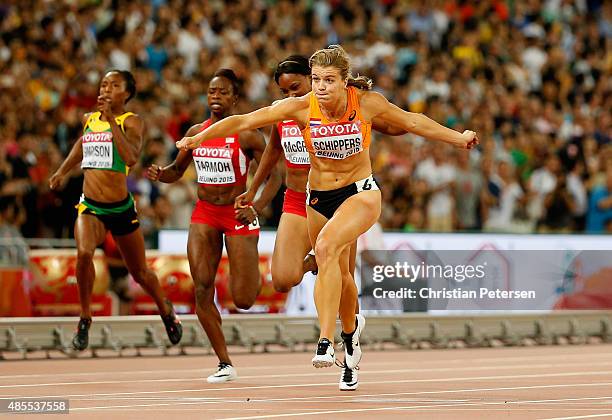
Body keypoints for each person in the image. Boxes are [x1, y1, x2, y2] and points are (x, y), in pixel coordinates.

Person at [177, 45, 477, 377]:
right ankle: (351, 332)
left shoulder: (366, 103)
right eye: (317, 79)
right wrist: (198, 137)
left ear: (344, 81)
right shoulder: (300, 108)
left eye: (328, 80)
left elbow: (413, 121)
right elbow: (245, 120)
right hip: (316, 197)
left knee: (326, 249)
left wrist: (458, 138)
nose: (320, 87)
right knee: (321, 273)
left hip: (358, 194)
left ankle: (326, 340)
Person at [235, 55, 409, 390]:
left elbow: (395, 124)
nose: (289, 96)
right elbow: (272, 153)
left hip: (343, 198)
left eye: (296, 88)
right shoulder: (286, 112)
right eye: (283, 90)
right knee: (284, 278)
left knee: (342, 275)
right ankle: (318, 258)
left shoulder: (335, 105)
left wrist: (389, 116)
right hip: (298, 199)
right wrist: (254, 193)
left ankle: (348, 346)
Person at [147, 69, 281, 383]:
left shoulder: (248, 134)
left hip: (237, 213)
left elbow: (275, 175)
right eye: (211, 92)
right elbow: (176, 171)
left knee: (245, 298)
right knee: (202, 288)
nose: (215, 97)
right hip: (205, 213)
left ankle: (258, 272)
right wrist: (159, 174)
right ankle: (224, 362)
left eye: (222, 92)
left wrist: (256, 206)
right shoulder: (197, 131)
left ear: (235, 98)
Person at [49, 70, 182, 351]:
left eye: (114, 85)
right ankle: (85, 317)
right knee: (84, 253)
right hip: (91, 206)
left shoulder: (131, 122)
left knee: (140, 273)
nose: (107, 89)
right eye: (104, 84)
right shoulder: (88, 119)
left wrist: (110, 121)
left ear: (127, 93)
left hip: (121, 207)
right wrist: (62, 171)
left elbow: (131, 157)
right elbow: (81, 145)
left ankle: (166, 309)